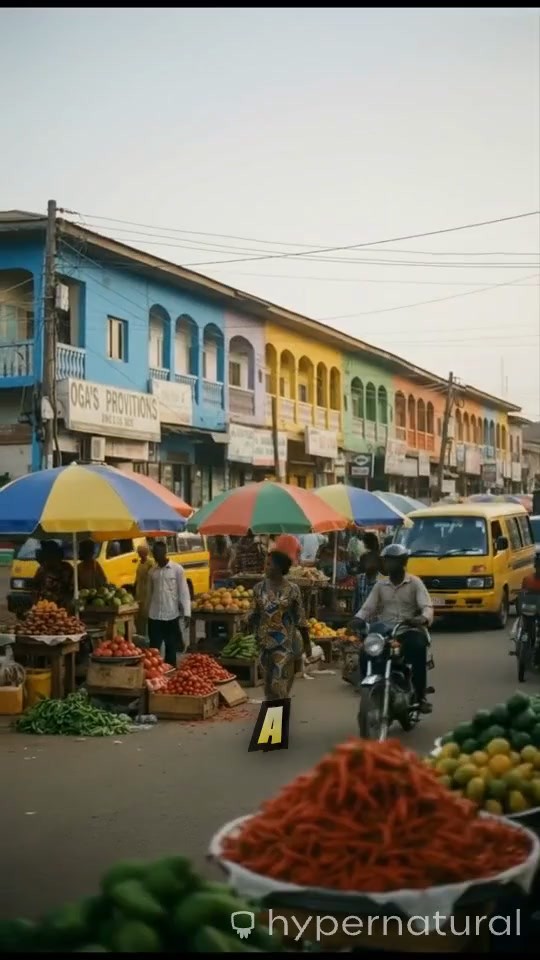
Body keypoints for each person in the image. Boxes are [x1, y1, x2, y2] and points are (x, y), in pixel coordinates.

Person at [354, 543, 434, 713]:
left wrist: (422, 618)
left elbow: (427, 606)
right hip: (385, 631)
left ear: (403, 562)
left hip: (407, 629)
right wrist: (357, 619)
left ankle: (420, 696)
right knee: (365, 651)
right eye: (387, 561)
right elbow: (368, 608)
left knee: (418, 649)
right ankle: (369, 685)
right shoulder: (380, 586)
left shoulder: (415, 583)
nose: (389, 565)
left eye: (393, 561)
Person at [250, 550, 311, 700]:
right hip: (264, 646)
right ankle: (273, 722)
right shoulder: (258, 588)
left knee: (279, 687)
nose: (265, 567)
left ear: (279, 567)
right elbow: (254, 612)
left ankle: (276, 723)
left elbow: (301, 619)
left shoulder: (292, 589)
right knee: (269, 690)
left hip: (285, 646)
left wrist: (307, 643)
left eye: (269, 564)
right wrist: (247, 622)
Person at [147, 541, 191, 667]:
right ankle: (154, 672)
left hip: (171, 615)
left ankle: (170, 672)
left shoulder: (177, 570)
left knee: (171, 647)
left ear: (165, 553)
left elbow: (184, 592)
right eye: (155, 554)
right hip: (154, 616)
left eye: (159, 553)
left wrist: (187, 613)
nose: (156, 556)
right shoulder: (152, 572)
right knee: (153, 648)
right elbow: (149, 594)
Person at [32, 540, 74, 609]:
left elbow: (71, 590)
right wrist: (35, 605)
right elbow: (35, 589)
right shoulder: (42, 569)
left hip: (62, 608)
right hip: (44, 607)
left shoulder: (66, 568)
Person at [134, 543, 154, 636]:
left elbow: (152, 576)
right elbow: (137, 576)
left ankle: (147, 634)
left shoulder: (150, 563)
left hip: (147, 590)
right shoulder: (140, 563)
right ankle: (140, 633)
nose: (139, 554)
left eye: (141, 552)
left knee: (146, 613)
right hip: (139, 590)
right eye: (139, 552)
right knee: (138, 614)